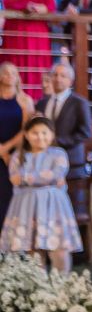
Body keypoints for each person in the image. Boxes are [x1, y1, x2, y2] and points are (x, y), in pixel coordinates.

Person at [0, 116, 82, 272]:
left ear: (52, 134)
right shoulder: (19, 155)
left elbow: (56, 174)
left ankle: (61, 288)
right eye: (35, 133)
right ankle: (39, 290)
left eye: (45, 132)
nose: (40, 137)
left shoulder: (58, 154)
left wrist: (26, 178)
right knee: (33, 248)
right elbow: (15, 179)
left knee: (58, 247)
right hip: (27, 207)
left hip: (53, 207)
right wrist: (42, 179)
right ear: (26, 135)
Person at [37, 57, 92, 231]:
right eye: (55, 75)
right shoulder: (43, 102)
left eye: (63, 76)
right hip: (45, 164)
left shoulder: (79, 102)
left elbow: (85, 132)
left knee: (69, 210)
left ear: (70, 80)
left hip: (72, 166)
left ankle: (74, 252)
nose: (58, 79)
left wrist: (57, 142)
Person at [2, 0, 56, 95]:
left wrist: (40, 8)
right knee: (16, 63)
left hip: (37, 35)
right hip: (16, 33)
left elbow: (51, 6)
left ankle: (37, 99)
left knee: (36, 66)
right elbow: (7, 2)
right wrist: (25, 6)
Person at [0, 62, 29, 236]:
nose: (9, 75)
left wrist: (6, 149)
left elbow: (26, 130)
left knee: (10, 198)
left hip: (14, 155)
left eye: (13, 72)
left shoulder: (24, 100)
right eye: (5, 72)